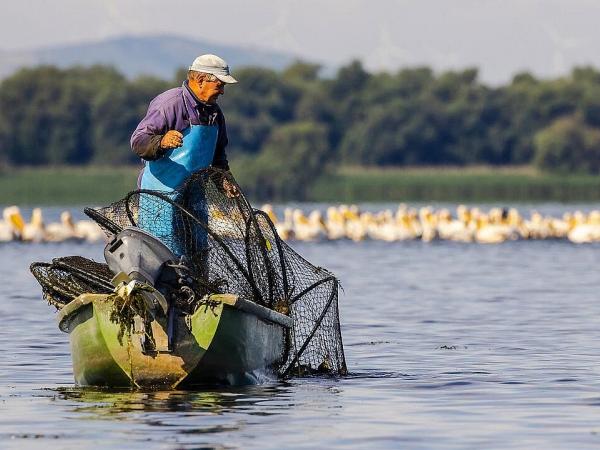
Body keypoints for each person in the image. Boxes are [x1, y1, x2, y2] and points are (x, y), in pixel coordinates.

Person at [130, 54, 238, 256]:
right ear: (200, 80)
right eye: (219, 85)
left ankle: (195, 286)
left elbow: (218, 156)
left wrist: (222, 180)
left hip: (195, 195)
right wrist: (161, 141)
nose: (222, 91)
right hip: (162, 195)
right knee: (164, 252)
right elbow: (138, 141)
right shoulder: (170, 104)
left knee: (197, 249)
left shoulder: (215, 113)